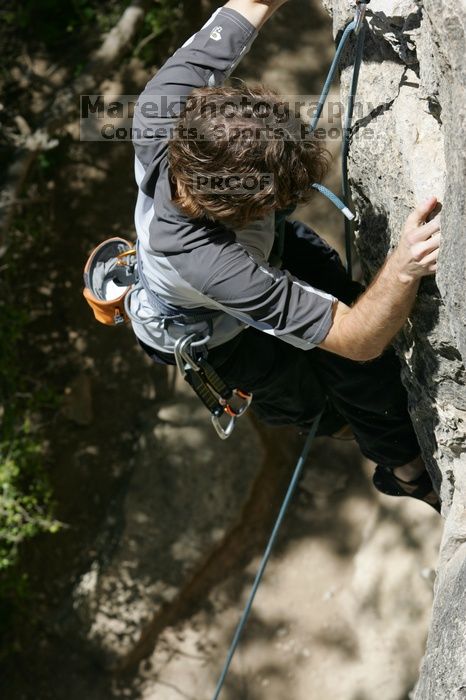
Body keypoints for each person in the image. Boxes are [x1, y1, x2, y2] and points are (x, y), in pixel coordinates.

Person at [129, 0, 441, 511]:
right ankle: (405, 472)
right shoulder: (210, 262)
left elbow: (250, 3)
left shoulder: (166, 104)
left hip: (261, 253)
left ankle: (399, 457)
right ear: (242, 209)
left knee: (366, 371)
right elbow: (356, 339)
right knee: (321, 402)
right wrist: (404, 266)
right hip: (216, 334)